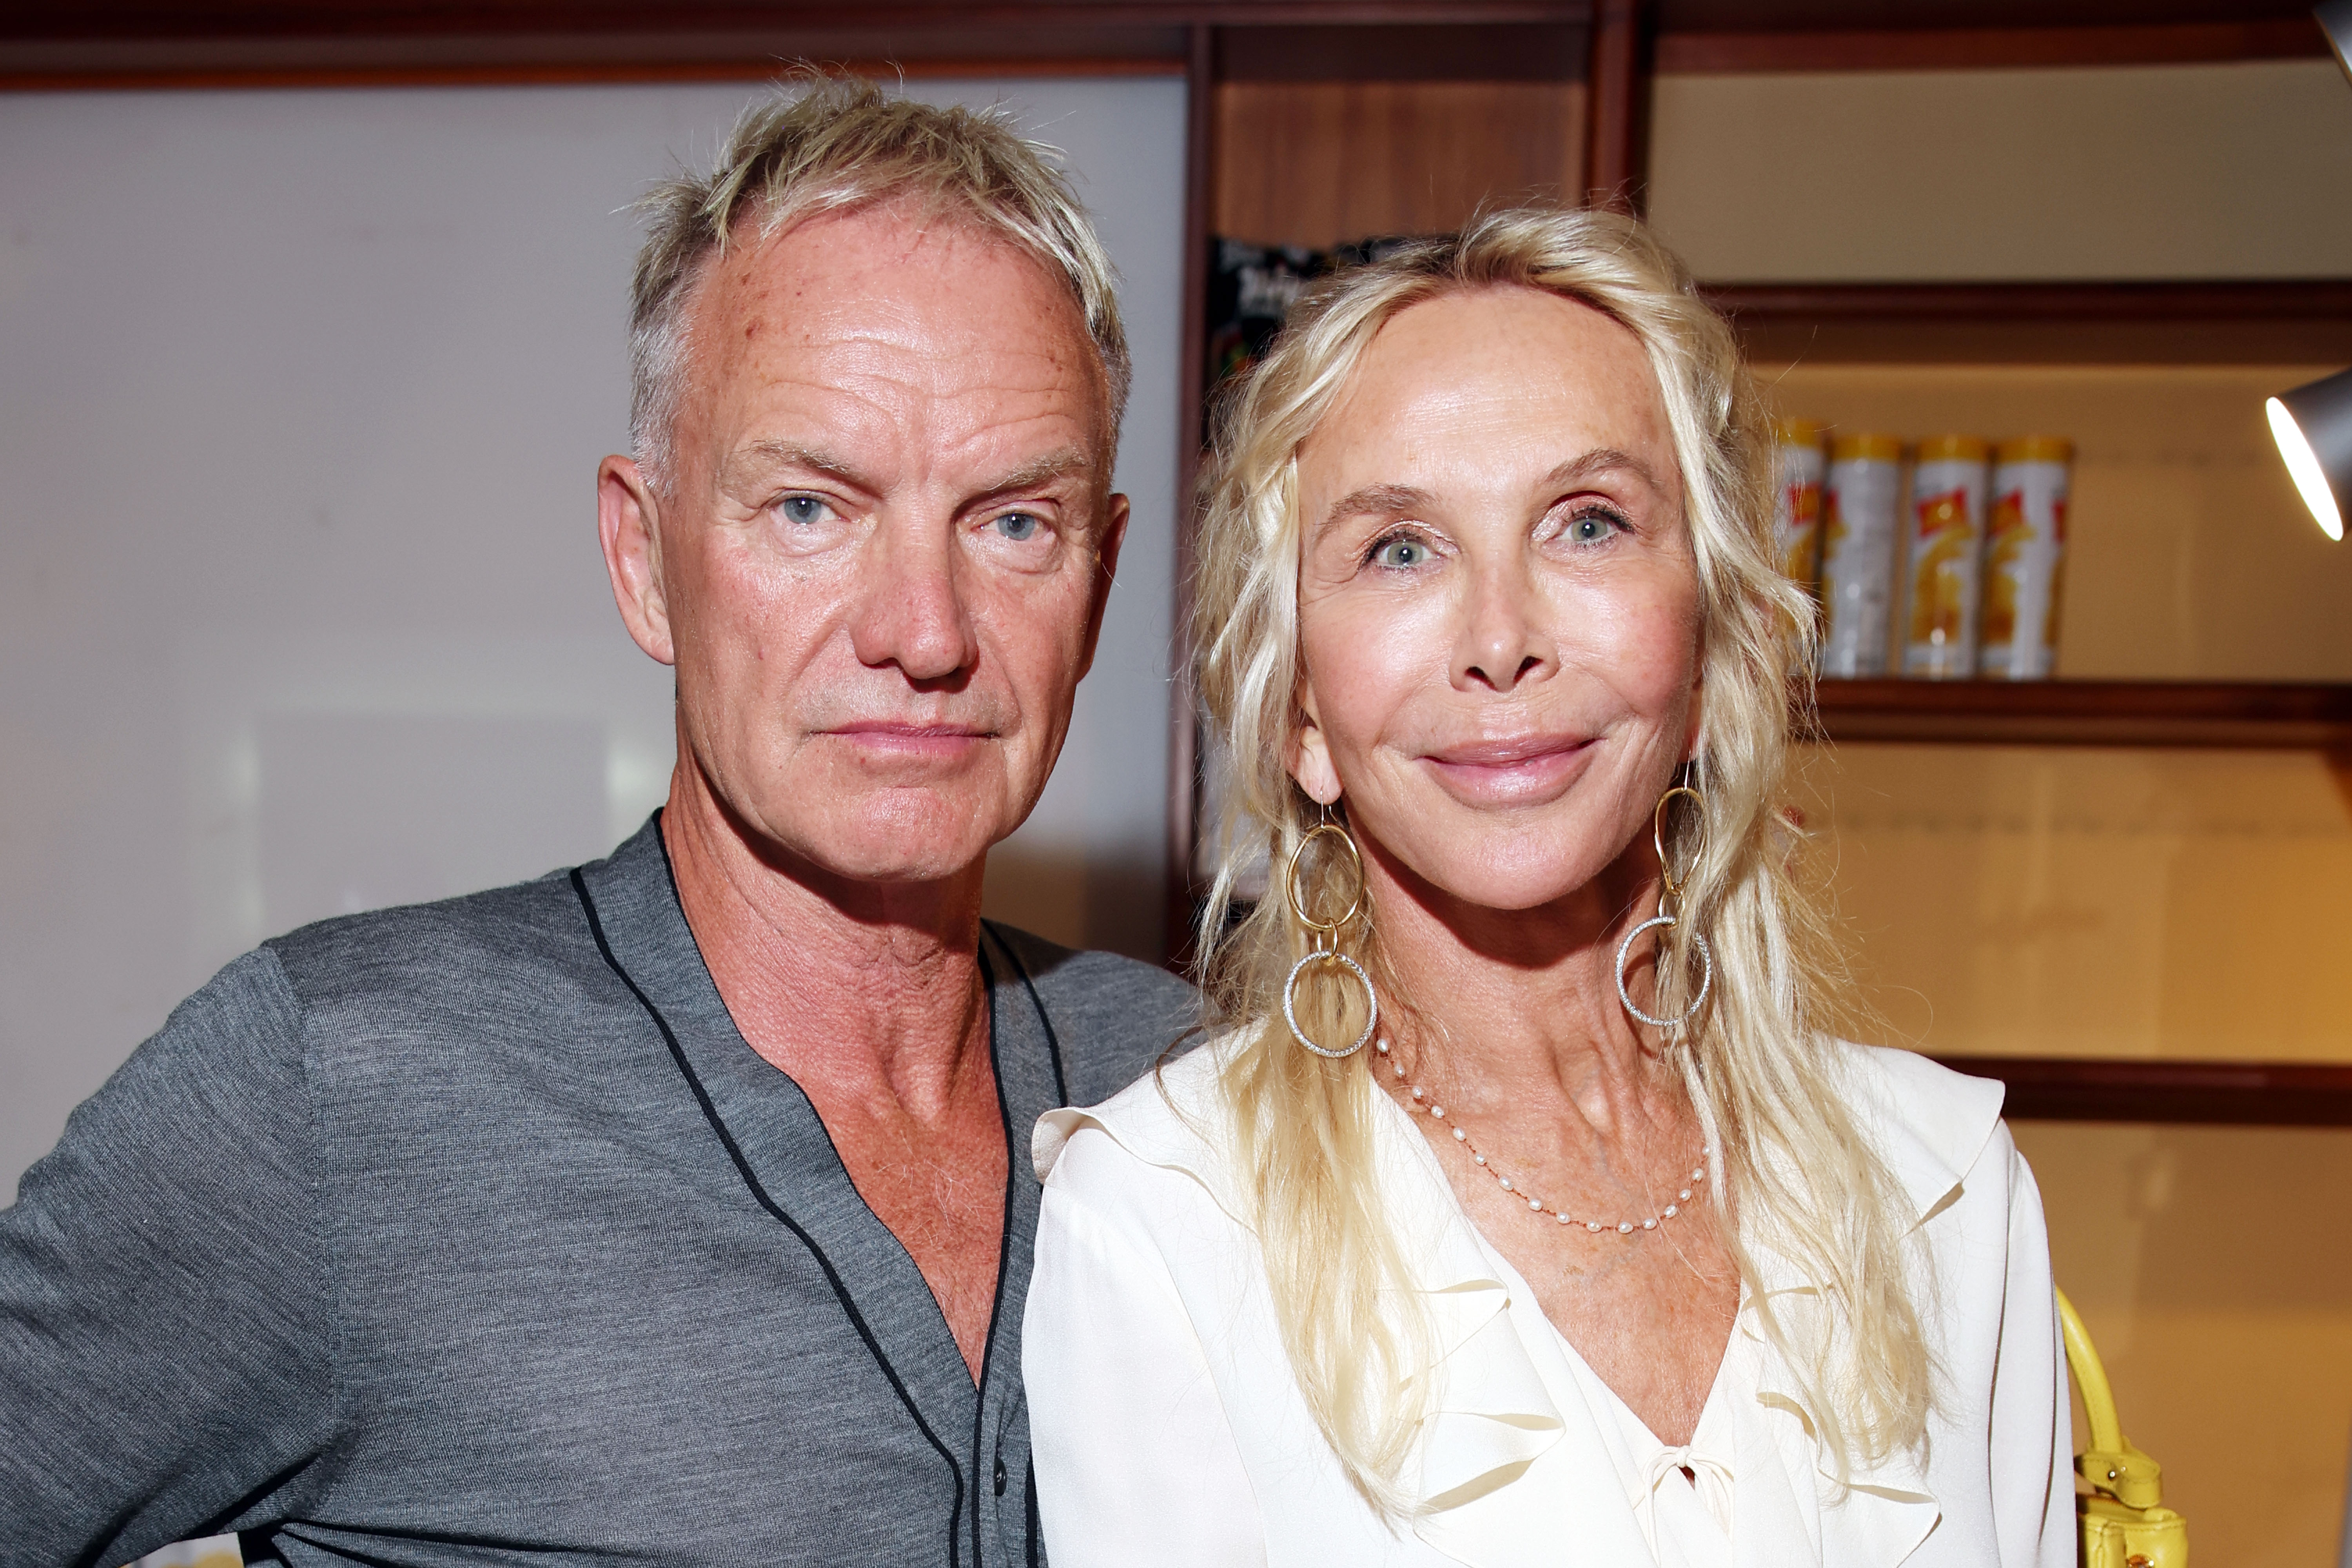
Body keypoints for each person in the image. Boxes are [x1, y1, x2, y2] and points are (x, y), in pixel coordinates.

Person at [0, 77, 1192, 1566]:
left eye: (1014, 520)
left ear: (1102, 575)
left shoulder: (1203, 1095)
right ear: (644, 559)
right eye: (811, 508)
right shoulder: (333, 1096)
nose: (925, 628)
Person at [1024, 206, 2070, 1567]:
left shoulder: (1947, 1191)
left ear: (1710, 652)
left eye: (1586, 524)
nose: (1502, 639)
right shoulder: (1163, 1227)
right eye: (1401, 547)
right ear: (1299, 722)